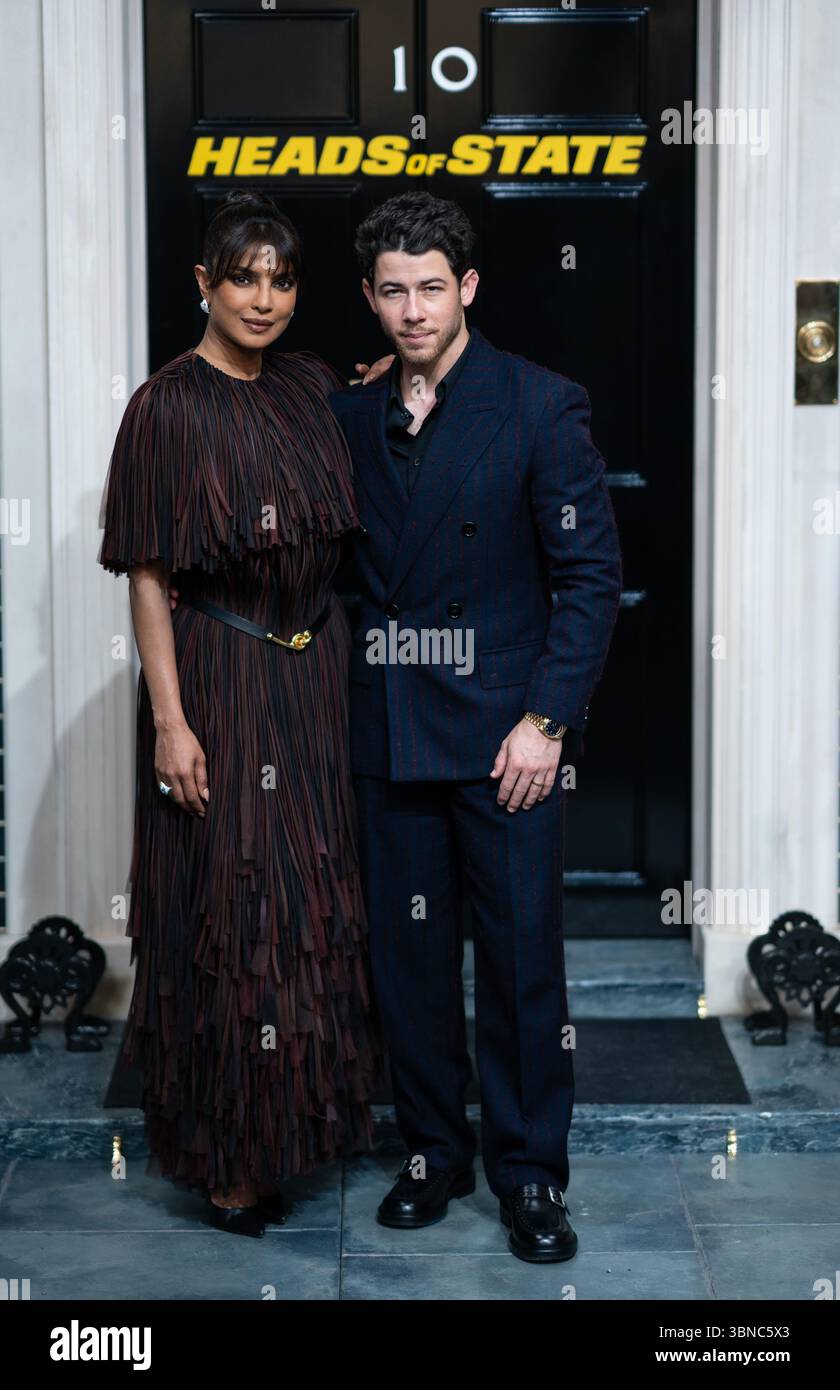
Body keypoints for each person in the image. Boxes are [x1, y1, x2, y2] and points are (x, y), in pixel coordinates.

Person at [327, 192, 623, 1263]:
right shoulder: (350, 415)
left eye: (432, 288)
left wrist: (546, 719)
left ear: (469, 290)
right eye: (394, 291)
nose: (413, 310)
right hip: (393, 725)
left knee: (519, 967)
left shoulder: (541, 405)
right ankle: (430, 1156)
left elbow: (590, 577)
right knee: (406, 967)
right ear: (370, 297)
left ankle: (532, 1177)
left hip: (506, 736)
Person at [97, 190, 388, 1238]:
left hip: (312, 675)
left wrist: (400, 371)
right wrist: (172, 721)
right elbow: (144, 571)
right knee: (231, 912)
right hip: (219, 674)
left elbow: (380, 409)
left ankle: (294, 1130)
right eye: (243, 276)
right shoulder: (164, 407)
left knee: (309, 906)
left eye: (281, 279)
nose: (263, 297)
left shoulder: (310, 386)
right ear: (204, 283)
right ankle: (227, 1154)